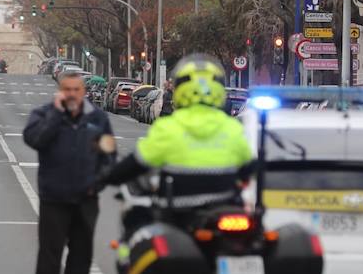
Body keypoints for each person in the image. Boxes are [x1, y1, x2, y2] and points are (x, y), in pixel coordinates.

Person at [23, 69, 114, 274]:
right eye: (67, 89)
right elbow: (35, 140)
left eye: (76, 89)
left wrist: (98, 183)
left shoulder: (97, 119)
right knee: (51, 252)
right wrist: (55, 115)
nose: (72, 94)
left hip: (86, 198)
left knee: (82, 253)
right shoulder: (44, 115)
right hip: (55, 197)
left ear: (83, 92)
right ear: (59, 91)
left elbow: (108, 154)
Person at [100, 53, 252, 199]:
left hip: (177, 214)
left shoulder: (167, 128)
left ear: (178, 90)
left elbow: (136, 163)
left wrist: (109, 176)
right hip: (225, 212)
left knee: (135, 217)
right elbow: (250, 168)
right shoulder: (234, 129)